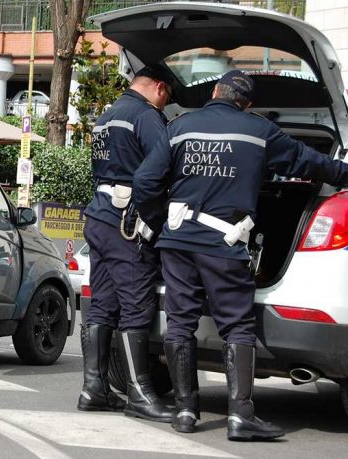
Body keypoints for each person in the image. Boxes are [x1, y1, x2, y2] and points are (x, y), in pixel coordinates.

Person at [132, 70, 348, 440]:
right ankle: (240, 417)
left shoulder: (180, 126)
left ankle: (185, 412)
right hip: (223, 245)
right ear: (247, 103)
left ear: (215, 91)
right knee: (237, 326)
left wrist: (162, 223)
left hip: (178, 243)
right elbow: (308, 162)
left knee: (180, 322)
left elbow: (144, 181)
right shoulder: (258, 131)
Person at [77, 65, 175, 423]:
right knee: (136, 304)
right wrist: (153, 216)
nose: (165, 107)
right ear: (159, 88)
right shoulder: (147, 116)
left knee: (103, 304)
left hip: (100, 217)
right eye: (167, 100)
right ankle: (139, 393)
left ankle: (94, 389)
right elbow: (160, 171)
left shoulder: (106, 116)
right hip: (126, 224)